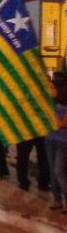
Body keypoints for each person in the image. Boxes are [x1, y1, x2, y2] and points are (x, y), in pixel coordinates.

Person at [47, 72, 67, 210]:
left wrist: (50, 114)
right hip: (50, 139)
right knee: (52, 171)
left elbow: (60, 124)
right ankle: (57, 199)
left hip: (63, 141)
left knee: (59, 170)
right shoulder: (50, 101)